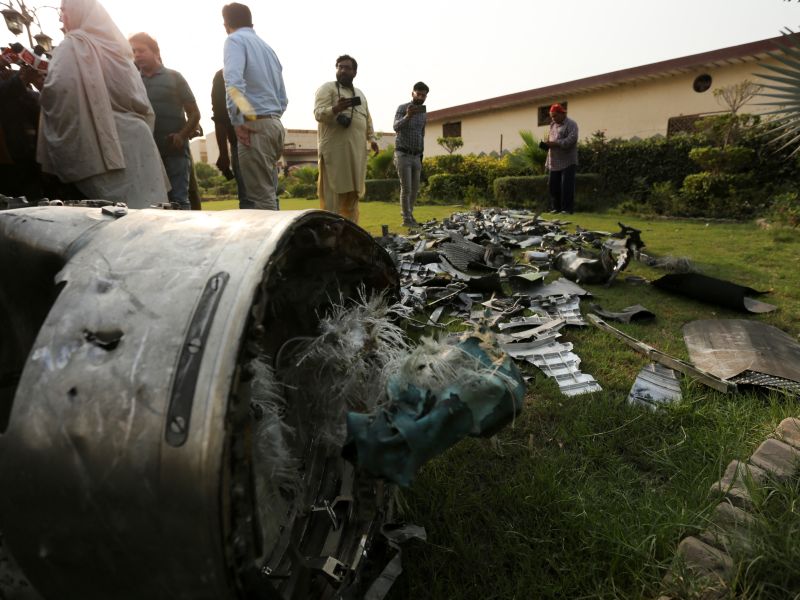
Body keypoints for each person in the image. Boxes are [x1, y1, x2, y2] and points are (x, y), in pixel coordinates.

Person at [36, 0, 168, 208]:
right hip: (139, 141)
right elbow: (140, 101)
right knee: (152, 217)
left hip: (101, 145)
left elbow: (60, 90)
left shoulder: (73, 45)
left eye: (64, 10)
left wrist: (42, 86)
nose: (61, 17)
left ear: (78, 11)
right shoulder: (120, 51)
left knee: (115, 224)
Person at [222, 2, 287, 211]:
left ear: (226, 24)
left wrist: (239, 120)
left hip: (254, 125)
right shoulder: (267, 48)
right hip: (274, 124)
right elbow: (282, 98)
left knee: (261, 200)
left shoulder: (234, 40)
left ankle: (275, 244)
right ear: (251, 22)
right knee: (269, 195)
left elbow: (233, 83)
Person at [130, 32, 200, 210]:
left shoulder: (174, 77)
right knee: (153, 204)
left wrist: (181, 135)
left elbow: (194, 113)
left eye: (141, 50)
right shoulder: (133, 81)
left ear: (155, 52)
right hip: (147, 153)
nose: (137, 54)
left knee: (179, 200)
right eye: (134, 51)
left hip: (174, 151)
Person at [314, 55, 380, 224]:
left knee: (352, 197)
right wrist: (336, 109)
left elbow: (367, 119)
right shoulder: (326, 89)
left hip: (356, 154)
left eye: (347, 68)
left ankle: (350, 233)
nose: (342, 70)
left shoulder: (360, 94)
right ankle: (330, 234)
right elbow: (318, 113)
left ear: (355, 72)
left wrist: (372, 139)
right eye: (339, 67)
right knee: (332, 198)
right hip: (334, 153)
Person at [211, 68, 249, 208]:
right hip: (247, 140)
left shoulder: (226, 74)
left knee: (249, 198)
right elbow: (220, 116)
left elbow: (220, 116)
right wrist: (223, 153)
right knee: (265, 194)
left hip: (244, 141)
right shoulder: (263, 67)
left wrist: (223, 154)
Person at [393, 81, 429, 227]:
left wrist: (421, 154)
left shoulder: (423, 113)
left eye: (423, 95)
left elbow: (422, 133)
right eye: (418, 94)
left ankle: (410, 216)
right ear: (412, 93)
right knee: (406, 188)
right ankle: (406, 219)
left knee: (414, 189)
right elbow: (395, 126)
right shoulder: (402, 108)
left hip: (416, 155)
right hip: (403, 154)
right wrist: (407, 116)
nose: (420, 97)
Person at [544, 103, 579, 214]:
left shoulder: (572, 124)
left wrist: (556, 143)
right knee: (553, 186)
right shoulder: (552, 125)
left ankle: (567, 209)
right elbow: (551, 140)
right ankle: (556, 208)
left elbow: (571, 140)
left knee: (566, 186)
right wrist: (547, 144)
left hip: (568, 161)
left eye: (555, 116)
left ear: (562, 114)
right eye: (552, 116)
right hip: (554, 161)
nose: (553, 118)